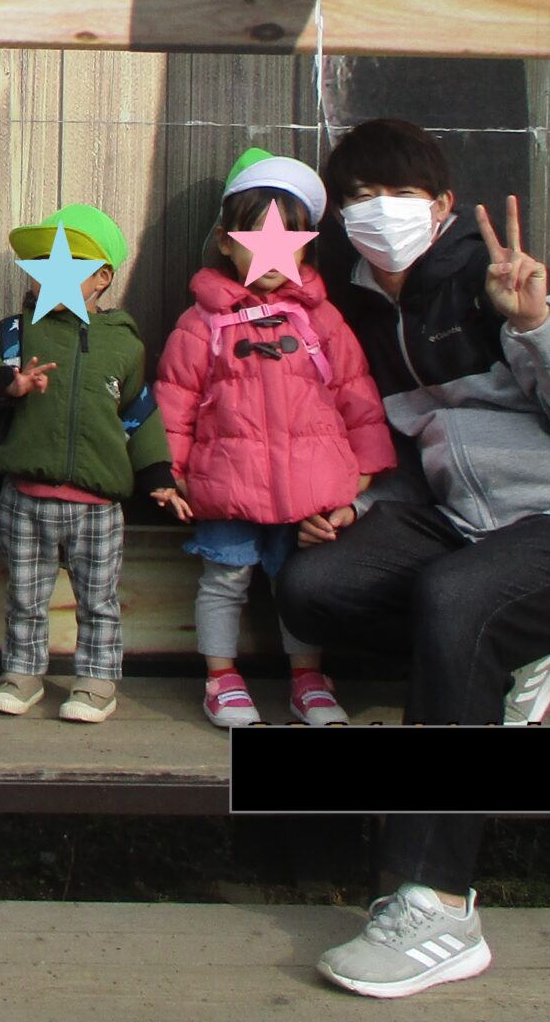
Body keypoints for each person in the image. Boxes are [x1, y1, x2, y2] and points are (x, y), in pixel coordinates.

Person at [278, 118, 550, 999]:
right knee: (315, 587)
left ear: (444, 205)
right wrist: (357, 505)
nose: (377, 213)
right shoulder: (353, 310)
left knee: (460, 602)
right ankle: (521, 638)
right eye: (357, 198)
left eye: (399, 195)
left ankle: (436, 902)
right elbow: (411, 449)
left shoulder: (497, 279)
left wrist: (535, 323)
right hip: (470, 528)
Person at [153, 151, 392, 729]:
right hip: (227, 484)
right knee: (225, 579)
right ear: (226, 243)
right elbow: (174, 400)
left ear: (307, 245)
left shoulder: (323, 320)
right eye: (253, 236)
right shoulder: (201, 323)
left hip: (309, 491)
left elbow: (357, 396)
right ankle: (220, 676)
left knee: (299, 585)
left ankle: (308, 677)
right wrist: (169, 472)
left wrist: (363, 472)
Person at [0, 203, 168, 726]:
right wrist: (10, 383)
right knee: (25, 595)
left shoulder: (122, 340)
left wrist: (158, 475)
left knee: (98, 599)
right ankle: (22, 672)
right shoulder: (17, 331)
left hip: (98, 507)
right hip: (25, 497)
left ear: (102, 277)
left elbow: (140, 410)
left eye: (68, 260)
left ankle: (97, 679)